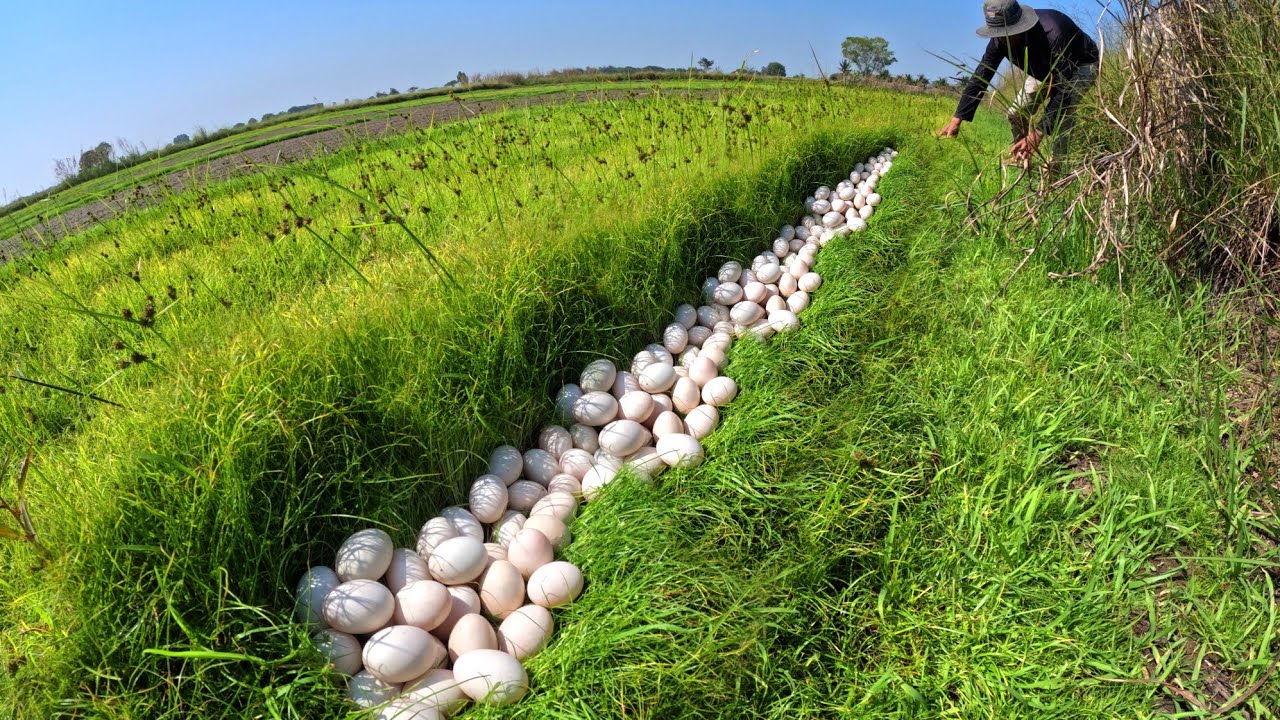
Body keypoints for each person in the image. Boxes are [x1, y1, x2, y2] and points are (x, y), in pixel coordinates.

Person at [938, 0, 1099, 165]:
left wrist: (1037, 134)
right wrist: (957, 119)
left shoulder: (1054, 32)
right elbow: (981, 75)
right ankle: (1021, 157)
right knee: (1015, 114)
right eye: (997, 33)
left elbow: (1064, 88)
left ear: (1019, 25)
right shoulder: (998, 41)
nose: (1001, 38)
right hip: (1043, 70)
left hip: (1080, 66)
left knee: (1063, 116)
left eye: (1005, 33)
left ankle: (1056, 169)